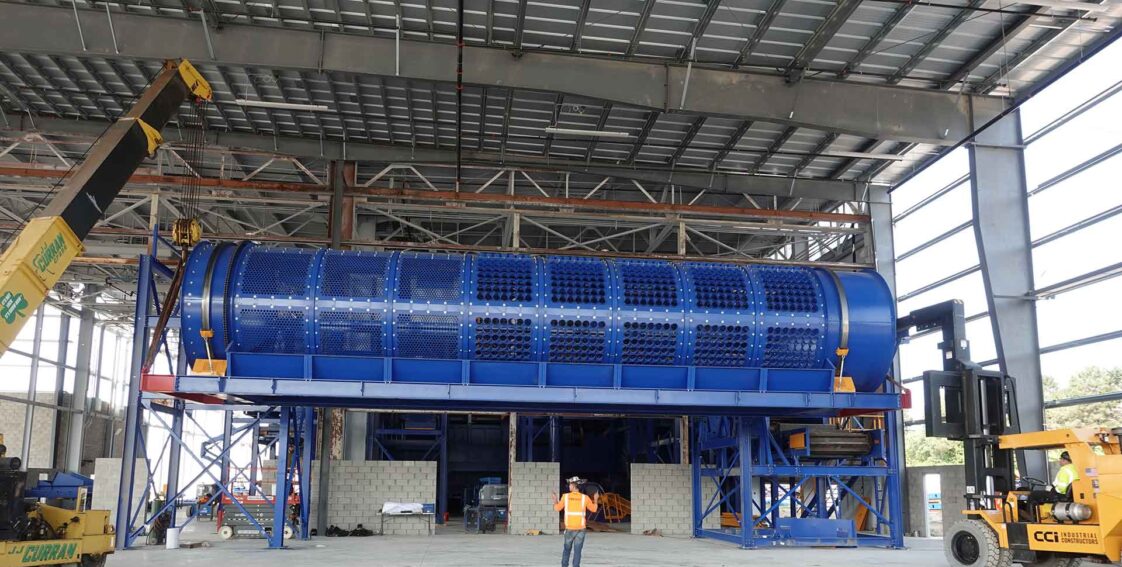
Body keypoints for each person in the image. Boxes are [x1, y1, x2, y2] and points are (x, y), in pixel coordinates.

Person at [551, 476, 599, 567]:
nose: (569, 486)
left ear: (573, 485)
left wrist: (555, 500)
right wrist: (596, 499)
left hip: (569, 529)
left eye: (569, 485)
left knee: (566, 550)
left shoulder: (565, 497)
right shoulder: (585, 498)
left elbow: (557, 508)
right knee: (577, 552)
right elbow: (594, 509)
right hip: (580, 529)